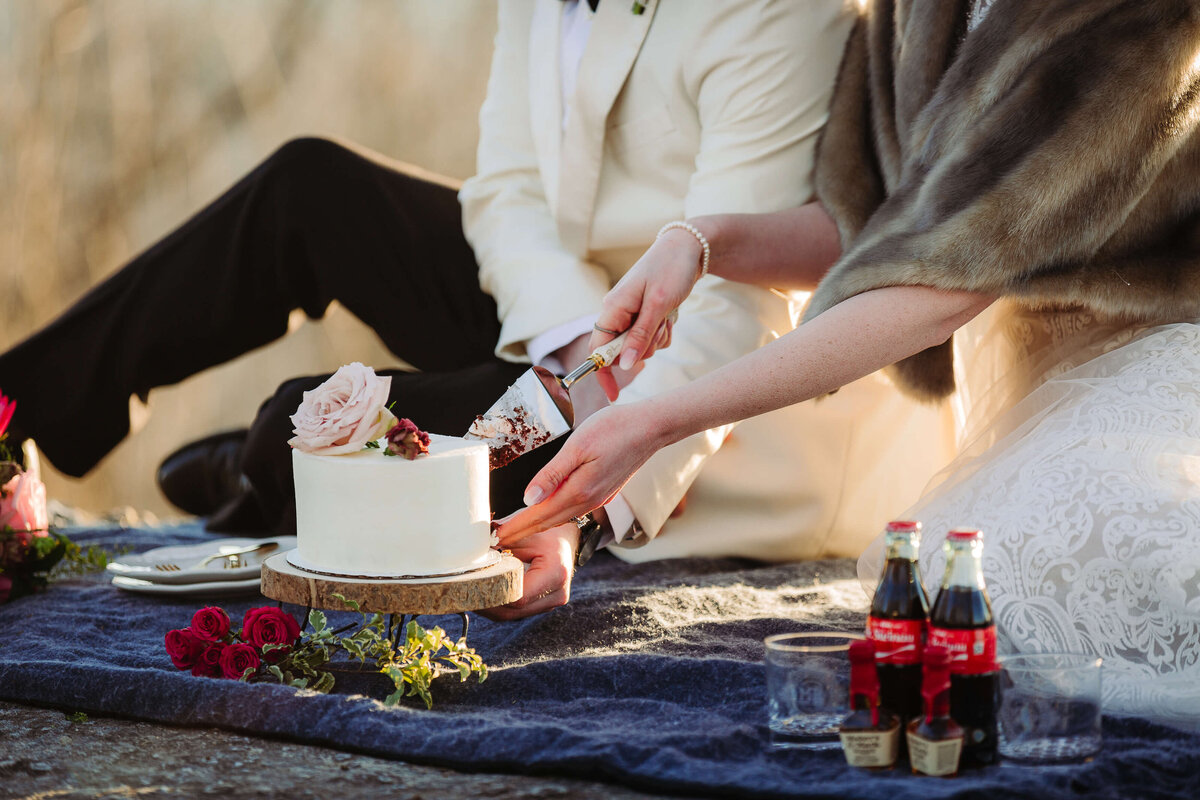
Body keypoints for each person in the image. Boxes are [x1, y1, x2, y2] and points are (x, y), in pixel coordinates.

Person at [0, 1, 946, 615]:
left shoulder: (781, 11)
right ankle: (12, 426)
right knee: (311, 187)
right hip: (575, 323)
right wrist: (576, 342)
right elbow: (504, 191)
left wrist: (595, 446)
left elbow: (735, 298)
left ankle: (246, 473)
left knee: (293, 427)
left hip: (711, 401)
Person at [498, 0, 1200, 726]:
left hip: (1149, 363)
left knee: (1057, 584)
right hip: (1026, 395)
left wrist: (655, 420)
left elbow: (942, 283)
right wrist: (697, 241)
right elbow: (867, 229)